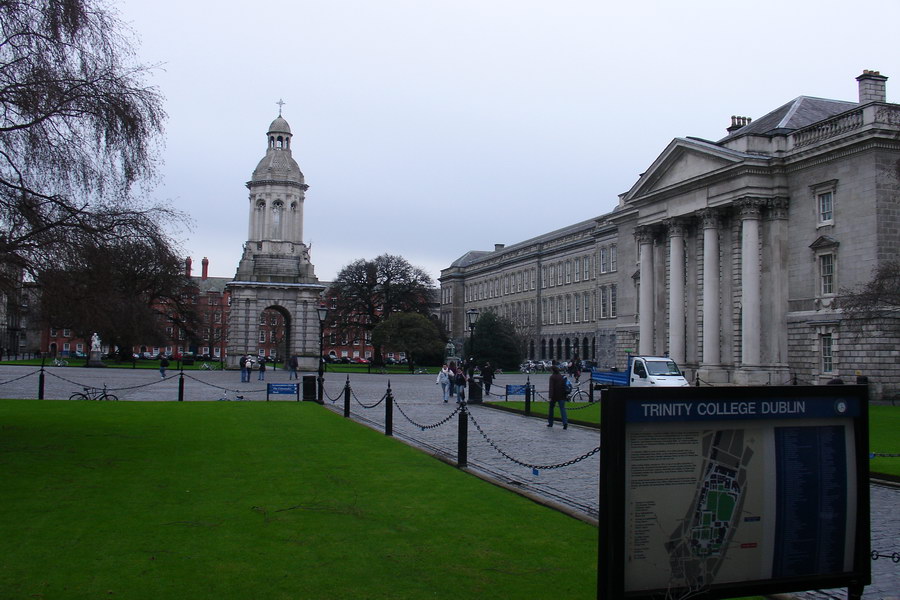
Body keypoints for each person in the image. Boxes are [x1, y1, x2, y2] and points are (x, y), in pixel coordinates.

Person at [547, 365, 568, 429]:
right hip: (562, 395)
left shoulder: (552, 377)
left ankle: (550, 423)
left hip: (554, 396)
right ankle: (565, 423)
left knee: (551, 409)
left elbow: (551, 387)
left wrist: (550, 396)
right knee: (562, 409)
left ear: (553, 370)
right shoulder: (562, 376)